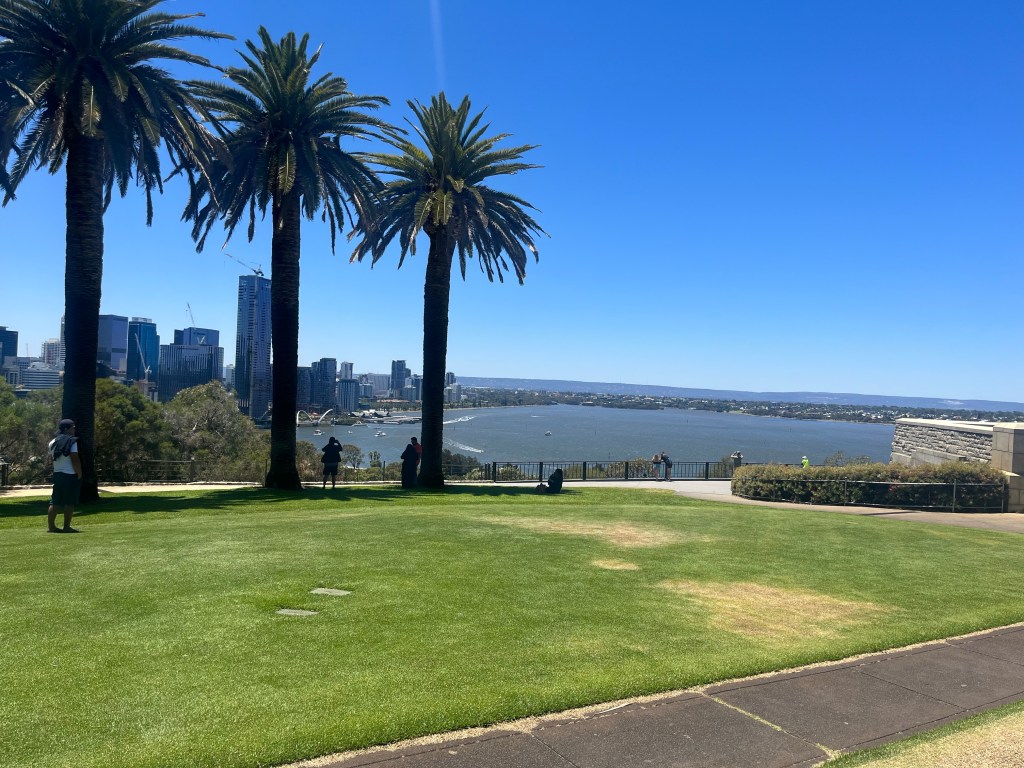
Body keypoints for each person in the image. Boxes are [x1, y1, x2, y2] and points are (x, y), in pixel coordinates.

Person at [47, 418, 82, 533]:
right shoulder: (72, 441)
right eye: (73, 428)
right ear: (66, 429)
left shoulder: (53, 442)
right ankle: (66, 527)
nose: (74, 430)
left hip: (57, 474)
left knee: (55, 501)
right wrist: (79, 472)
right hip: (70, 474)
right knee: (69, 502)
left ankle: (51, 527)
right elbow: (74, 458)